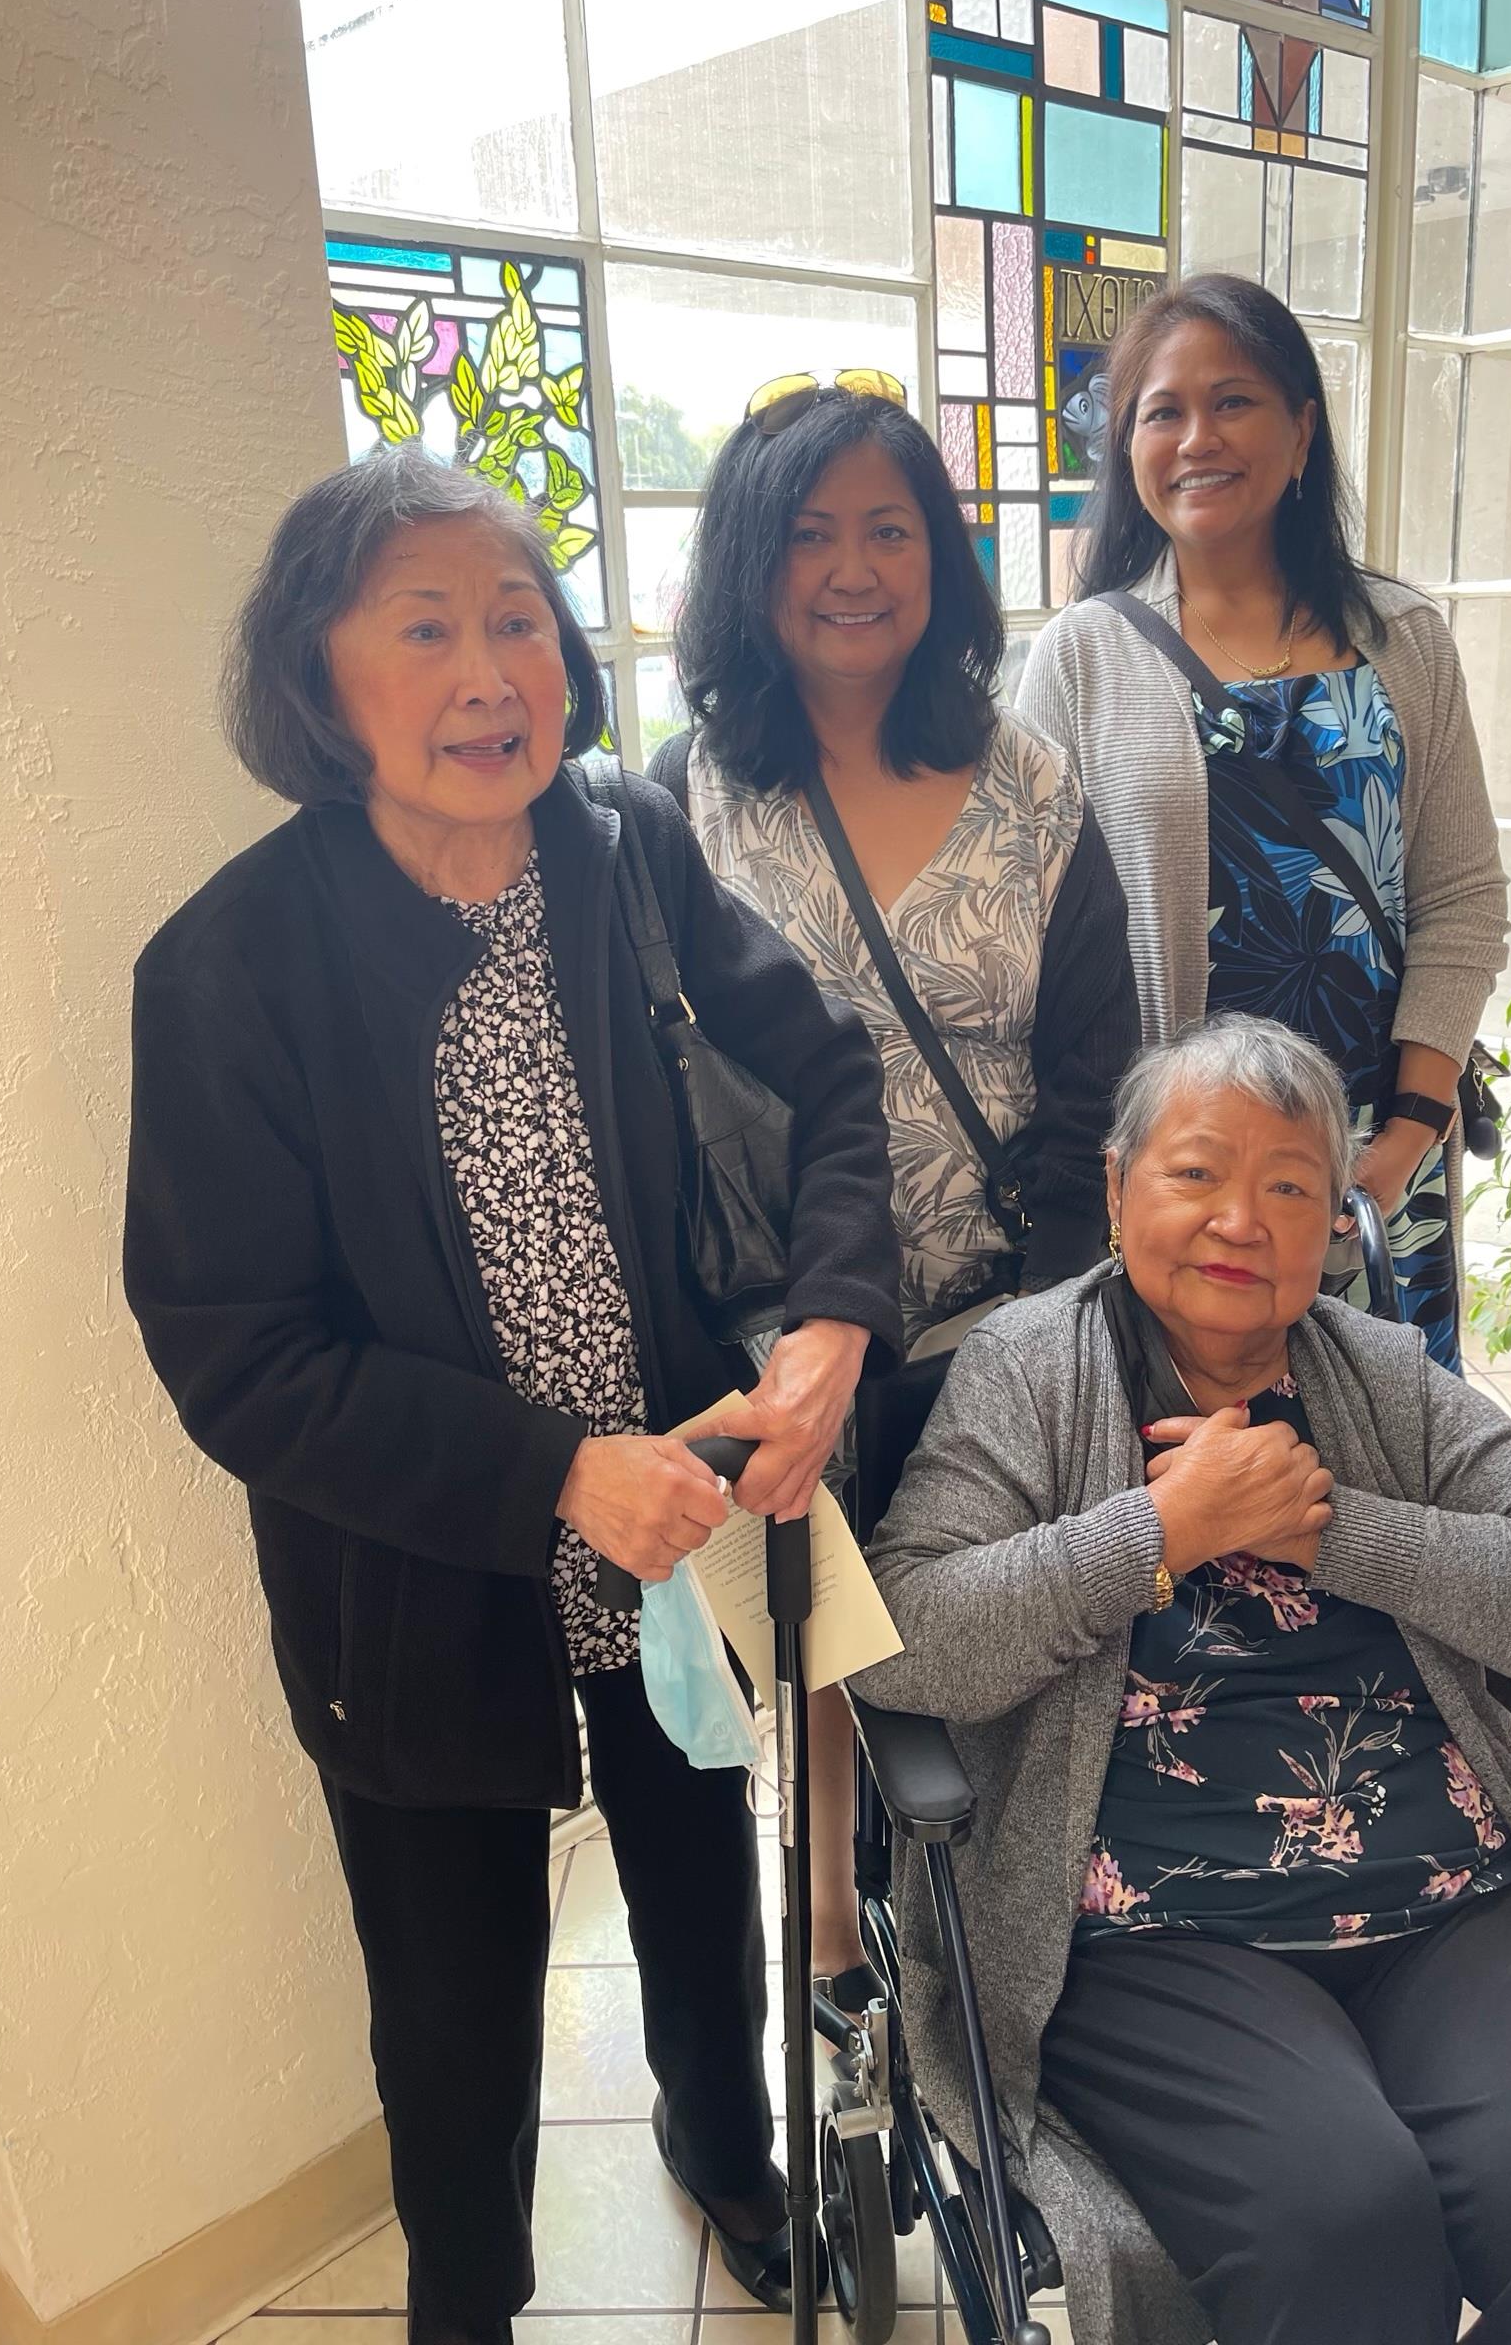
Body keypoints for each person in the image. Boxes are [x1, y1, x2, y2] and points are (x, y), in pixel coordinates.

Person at [123, 450, 904, 2344]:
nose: (491, 672)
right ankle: (466, 2290)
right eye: (424, 629)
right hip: (421, 1576)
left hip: (684, 1522)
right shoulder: (230, 964)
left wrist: (828, 1320)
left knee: (696, 1883)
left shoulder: (620, 848)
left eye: (517, 621)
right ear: (319, 683)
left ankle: (720, 2140)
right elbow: (236, 1348)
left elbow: (825, 1086)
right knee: (450, 1993)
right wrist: (554, 1471)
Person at [854, 1014, 1511, 2345]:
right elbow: (908, 1639)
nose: (1238, 1220)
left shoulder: (1381, 1380)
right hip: (1154, 1927)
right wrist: (1159, 1534)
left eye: (1290, 1186)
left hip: (1449, 1903)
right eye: (1194, 1173)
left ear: (1333, 1223)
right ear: (1117, 1188)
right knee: (1342, 2221)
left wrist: (1330, 1531)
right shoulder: (1028, 1372)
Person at [649, 372, 1139, 2002]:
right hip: (771, 1329)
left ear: (939, 552)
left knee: (984, 1655)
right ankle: (836, 1961)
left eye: (890, 526)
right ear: (747, 565)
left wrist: (1049, 1334)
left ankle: (984, 1973)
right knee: (811, 1661)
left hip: (1001, 1318)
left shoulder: (1031, 787)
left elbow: (1092, 1087)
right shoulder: (679, 802)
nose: (853, 565)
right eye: (809, 533)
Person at [1016, 275, 1509, 1373]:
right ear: (1130, 450)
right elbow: (1040, 939)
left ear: (1300, 430)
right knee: (1199, 1474)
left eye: (1233, 402)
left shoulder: (1404, 640)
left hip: (1380, 1151)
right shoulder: (1080, 656)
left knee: (1383, 1454)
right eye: (1162, 410)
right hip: (1185, 1185)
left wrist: (1403, 1144)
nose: (1198, 438)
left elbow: (1463, 903)